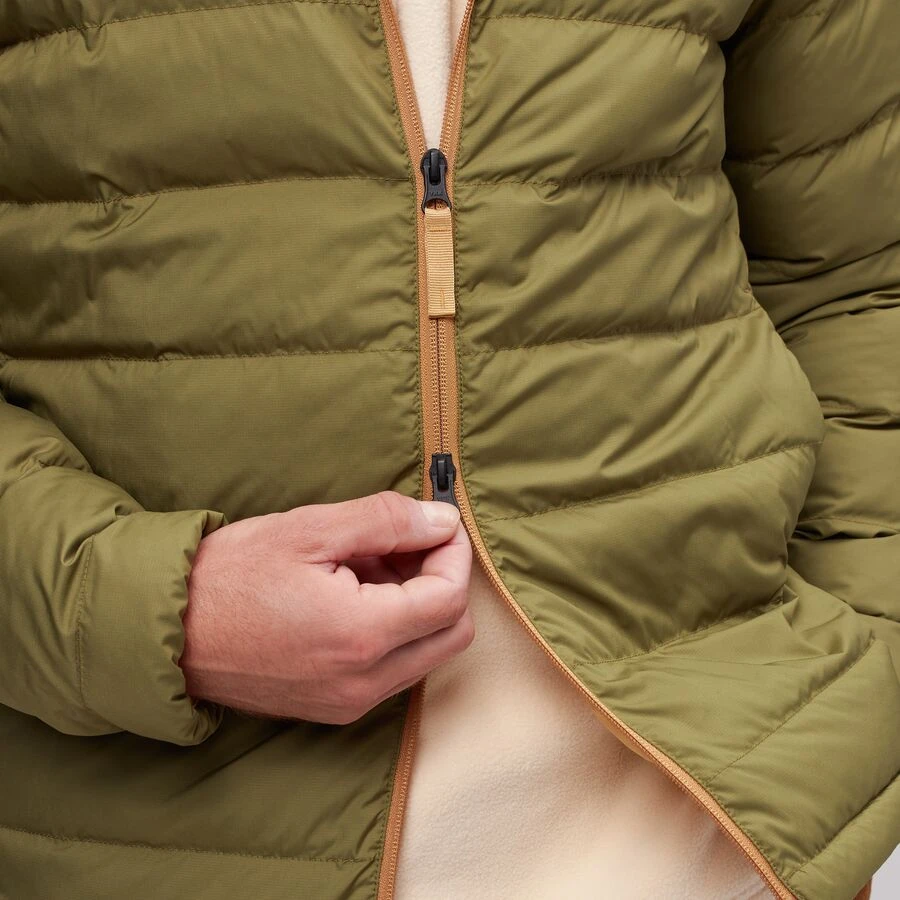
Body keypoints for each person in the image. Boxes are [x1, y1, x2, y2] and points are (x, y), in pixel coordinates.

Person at [0, 1, 895, 899]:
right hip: (160, 841)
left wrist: (862, 696)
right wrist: (150, 611)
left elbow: (856, 284)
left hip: (729, 836)